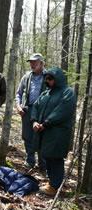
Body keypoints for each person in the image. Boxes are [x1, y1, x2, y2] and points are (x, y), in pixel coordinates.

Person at [31, 67, 76, 196]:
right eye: (47, 79)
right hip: (44, 130)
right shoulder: (46, 92)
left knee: (55, 157)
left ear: (58, 78)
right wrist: (34, 121)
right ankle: (51, 182)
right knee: (47, 156)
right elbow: (35, 106)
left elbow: (62, 111)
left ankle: (55, 186)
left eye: (50, 78)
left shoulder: (67, 92)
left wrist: (46, 123)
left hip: (58, 132)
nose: (48, 81)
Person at [15, 53, 47, 172]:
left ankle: (43, 165)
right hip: (27, 110)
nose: (32, 64)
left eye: (35, 62)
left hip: (43, 111)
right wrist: (18, 106)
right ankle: (30, 161)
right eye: (31, 62)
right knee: (27, 136)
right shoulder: (26, 77)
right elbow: (18, 94)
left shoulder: (48, 77)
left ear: (41, 63)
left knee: (42, 136)